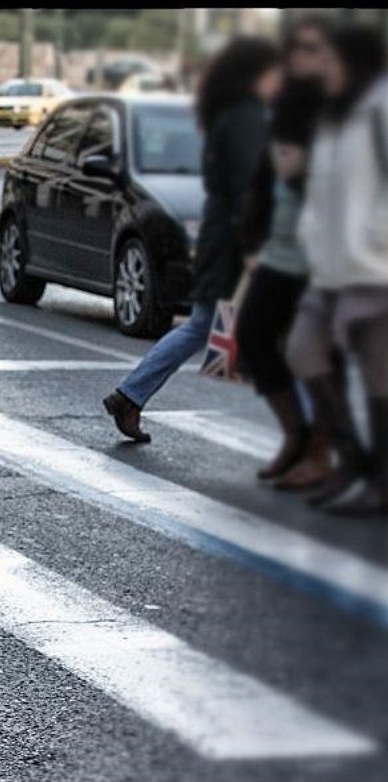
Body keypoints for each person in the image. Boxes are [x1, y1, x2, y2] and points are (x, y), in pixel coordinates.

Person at [103, 38, 281, 441]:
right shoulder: (246, 119)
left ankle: (130, 395)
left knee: (206, 326)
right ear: (257, 75)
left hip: (225, 242)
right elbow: (246, 189)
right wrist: (257, 245)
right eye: (275, 73)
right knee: (274, 334)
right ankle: (318, 437)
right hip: (236, 246)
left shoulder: (231, 115)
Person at [286, 24, 388, 516]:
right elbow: (322, 188)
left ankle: (380, 480)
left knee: (377, 374)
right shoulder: (334, 115)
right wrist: (311, 233)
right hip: (328, 269)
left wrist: (372, 238)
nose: (319, 66)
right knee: (303, 350)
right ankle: (353, 460)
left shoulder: (379, 105)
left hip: (372, 269)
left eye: (325, 55)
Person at [235, 17, 334, 486]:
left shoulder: (345, 108)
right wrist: (252, 241)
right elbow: (263, 177)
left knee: (318, 353)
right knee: (253, 338)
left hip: (329, 253)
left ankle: (322, 449)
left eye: (312, 49)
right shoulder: (289, 104)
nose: (302, 57)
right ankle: (297, 433)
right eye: (296, 49)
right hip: (280, 248)